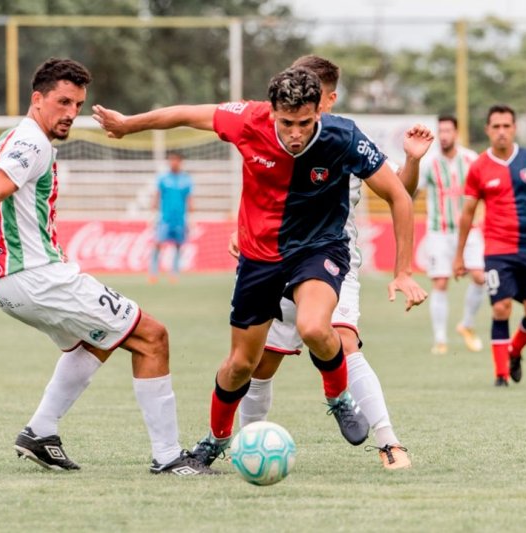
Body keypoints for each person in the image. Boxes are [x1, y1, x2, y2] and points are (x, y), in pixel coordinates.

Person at [93, 66, 428, 468]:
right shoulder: (245, 119)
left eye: (306, 123)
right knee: (241, 365)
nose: (297, 133)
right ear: (271, 112)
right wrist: (129, 125)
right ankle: (215, 442)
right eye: (287, 123)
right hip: (259, 258)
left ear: (318, 112)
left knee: (316, 327)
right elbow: (185, 113)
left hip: (319, 249)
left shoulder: (344, 136)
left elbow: (399, 196)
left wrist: (403, 271)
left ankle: (338, 397)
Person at [0, 57, 215, 475]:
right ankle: (170, 458)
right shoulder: (32, 143)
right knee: (152, 337)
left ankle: (40, 431)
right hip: (37, 276)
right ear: (37, 99)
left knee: (96, 339)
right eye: (63, 102)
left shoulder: (8, 139)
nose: (70, 114)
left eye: (77, 105)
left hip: (15, 281)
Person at [232, 55, 433, 470]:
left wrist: (412, 161)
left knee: (342, 341)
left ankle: (389, 442)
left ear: (329, 98)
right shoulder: (281, 130)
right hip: (274, 262)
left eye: (314, 98)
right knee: (260, 362)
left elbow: (398, 191)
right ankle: (247, 445)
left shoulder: (344, 138)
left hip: (331, 261)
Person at [454, 104, 526, 387]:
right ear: (488, 130)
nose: (501, 132)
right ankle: (501, 374)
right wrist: (459, 255)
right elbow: (467, 213)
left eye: (506, 126)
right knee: (501, 307)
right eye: (496, 127)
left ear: (514, 129)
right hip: (497, 249)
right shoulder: (479, 166)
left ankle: (514, 351)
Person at [419, 115, 485, 355]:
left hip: (469, 231)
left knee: (480, 277)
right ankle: (440, 340)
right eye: (441, 131)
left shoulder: (471, 160)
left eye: (448, 131)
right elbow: (412, 191)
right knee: (440, 282)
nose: (444, 135)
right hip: (439, 231)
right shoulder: (429, 164)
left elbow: (485, 191)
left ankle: (466, 324)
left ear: (456, 133)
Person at [149, 151, 193, 283]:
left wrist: (191, 212)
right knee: (157, 243)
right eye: (171, 160)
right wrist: (154, 206)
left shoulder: (186, 179)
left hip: (180, 218)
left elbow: (189, 197)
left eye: (176, 160)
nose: (173, 162)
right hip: (165, 218)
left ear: (180, 162)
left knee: (178, 245)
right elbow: (158, 194)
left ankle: (174, 273)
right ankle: (153, 272)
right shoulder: (163, 178)